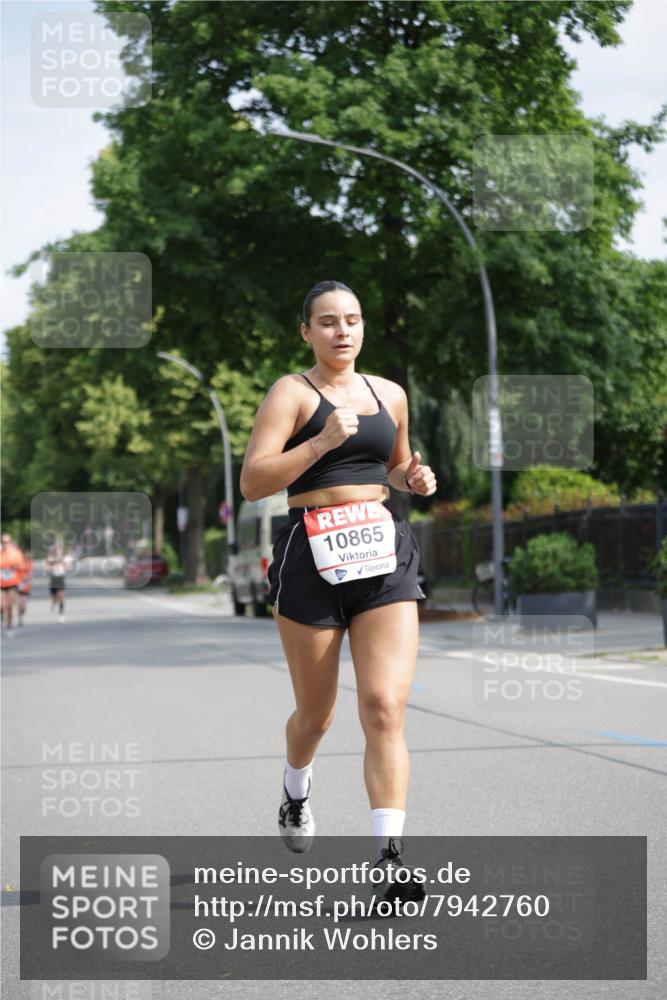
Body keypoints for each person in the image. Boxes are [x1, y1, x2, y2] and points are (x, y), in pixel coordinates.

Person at [240, 280, 437, 900]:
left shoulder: (390, 394)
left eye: (351, 320)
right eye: (327, 322)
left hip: (381, 551)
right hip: (311, 554)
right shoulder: (291, 394)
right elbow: (252, 481)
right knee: (317, 715)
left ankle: (389, 858)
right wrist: (321, 442)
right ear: (307, 332)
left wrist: (415, 476)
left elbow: (397, 465)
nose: (342, 331)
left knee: (383, 707)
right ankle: (295, 793)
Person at [1, 533, 25, 638]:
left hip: (12, 583)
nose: (5, 544)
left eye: (7, 542)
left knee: (10, 605)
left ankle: (9, 626)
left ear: (10, 542)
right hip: (1, 583)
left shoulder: (16, 553)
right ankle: (2, 617)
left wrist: (14, 565)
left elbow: (22, 566)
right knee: (1, 605)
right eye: (3, 542)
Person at [45, 544, 68, 622]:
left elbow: (67, 568)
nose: (58, 553)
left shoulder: (63, 559)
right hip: (53, 580)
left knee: (61, 597)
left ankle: (61, 614)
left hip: (60, 579)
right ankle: (53, 604)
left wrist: (63, 565)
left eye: (60, 551)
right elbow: (47, 568)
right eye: (57, 551)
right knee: (55, 598)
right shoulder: (50, 559)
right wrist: (52, 567)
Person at [17, 549, 33, 627]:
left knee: (24, 605)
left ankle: (21, 615)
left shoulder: (29, 564)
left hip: (25, 585)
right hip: (18, 585)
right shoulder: (18, 563)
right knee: (20, 602)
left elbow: (30, 575)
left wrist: (26, 579)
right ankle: (20, 617)